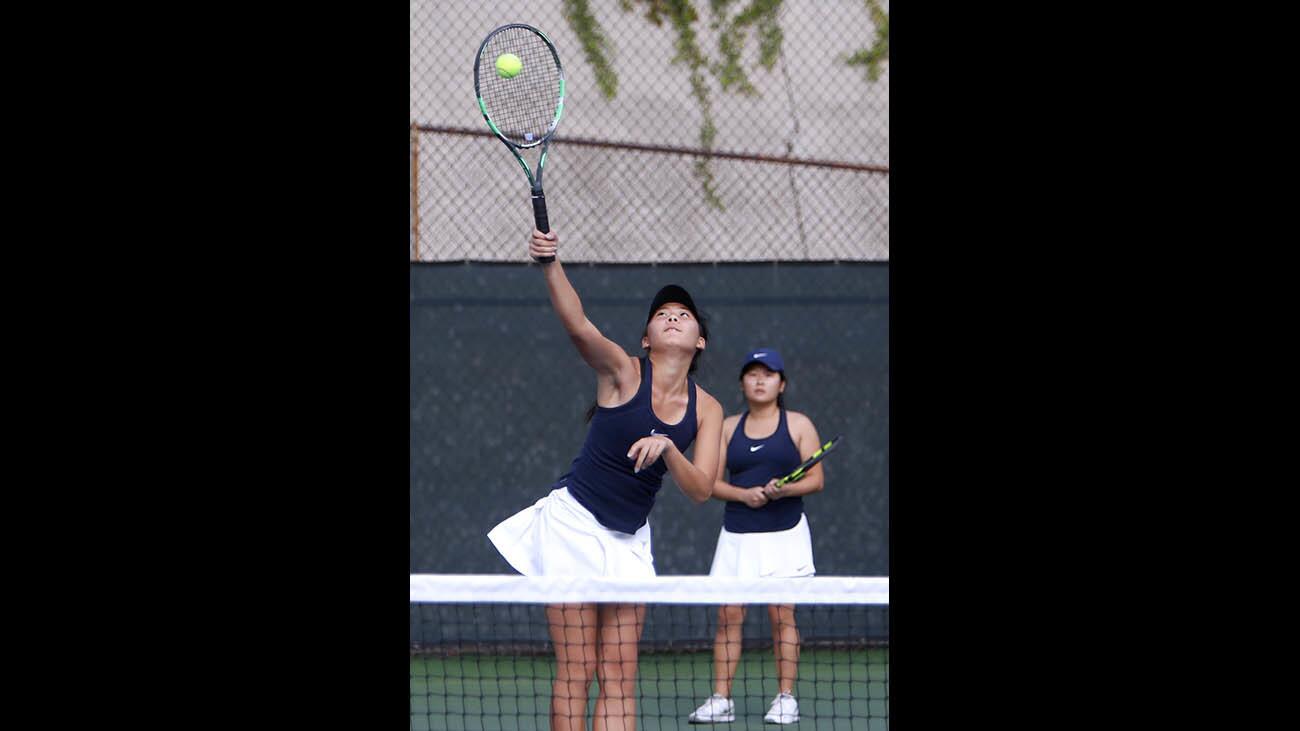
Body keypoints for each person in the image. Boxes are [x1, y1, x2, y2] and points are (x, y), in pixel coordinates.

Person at [488, 228, 724, 731]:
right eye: (662, 314)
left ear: (699, 339)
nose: (674, 317)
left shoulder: (708, 409)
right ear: (646, 339)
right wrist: (550, 264)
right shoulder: (622, 371)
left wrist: (667, 449)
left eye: (684, 315)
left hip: (629, 541)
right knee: (577, 670)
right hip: (572, 526)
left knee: (618, 674)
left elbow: (702, 488)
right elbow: (578, 326)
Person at [687, 348, 824, 726]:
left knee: (783, 615)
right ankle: (721, 698)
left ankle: (785, 697)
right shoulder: (728, 427)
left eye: (768, 374)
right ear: (743, 383)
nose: (760, 380)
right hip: (738, 535)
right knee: (729, 615)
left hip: (786, 534)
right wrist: (745, 494)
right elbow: (710, 483)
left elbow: (815, 479)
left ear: (782, 384)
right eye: (752, 374)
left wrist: (783, 490)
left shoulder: (798, 424)